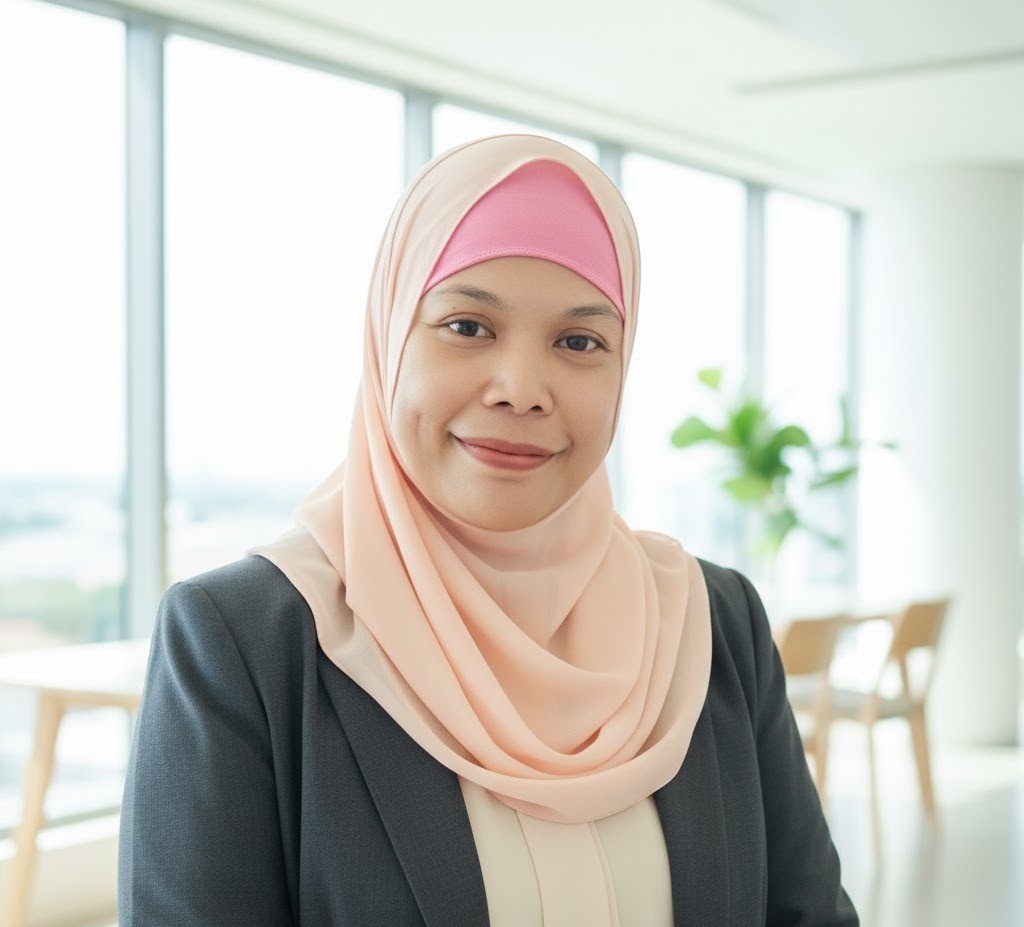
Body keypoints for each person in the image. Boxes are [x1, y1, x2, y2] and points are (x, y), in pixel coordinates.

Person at [117, 133, 859, 926]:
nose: (521, 388)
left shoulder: (710, 622)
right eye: (468, 326)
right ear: (390, 338)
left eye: (580, 342)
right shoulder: (250, 640)